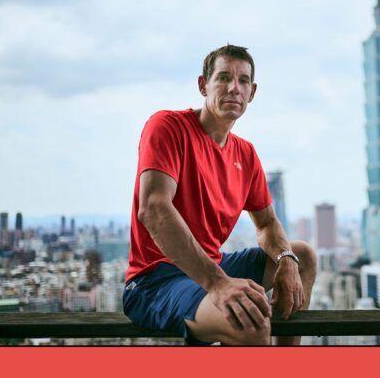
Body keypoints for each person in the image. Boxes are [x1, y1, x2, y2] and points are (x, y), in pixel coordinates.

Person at [123, 44, 317, 346]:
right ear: (203, 85)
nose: (234, 88)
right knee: (249, 324)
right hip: (156, 280)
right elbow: (154, 209)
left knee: (302, 255)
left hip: (213, 266)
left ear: (252, 93)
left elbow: (267, 224)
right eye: (224, 77)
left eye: (243, 81)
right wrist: (218, 284)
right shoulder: (167, 127)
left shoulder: (245, 153)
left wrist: (286, 260)